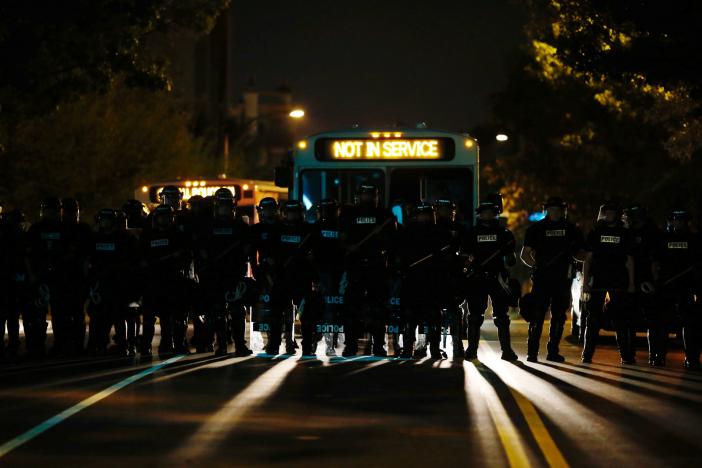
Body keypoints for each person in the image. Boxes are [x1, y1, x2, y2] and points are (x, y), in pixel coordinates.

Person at [521, 197, 585, 362]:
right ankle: (532, 352)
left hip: (563, 279)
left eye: (559, 209)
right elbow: (525, 255)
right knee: (537, 315)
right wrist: (536, 266)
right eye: (553, 209)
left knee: (558, 316)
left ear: (563, 210)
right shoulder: (536, 229)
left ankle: (552, 352)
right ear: (547, 210)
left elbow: (581, 255)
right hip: (543, 279)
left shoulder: (571, 230)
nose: (556, 212)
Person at [340, 182, 396, 357]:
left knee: (378, 309)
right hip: (355, 267)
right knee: (351, 309)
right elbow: (341, 238)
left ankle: (378, 345)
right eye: (366, 195)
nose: (369, 198)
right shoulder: (349, 214)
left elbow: (392, 241)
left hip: (376, 267)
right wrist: (348, 247)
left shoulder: (385, 215)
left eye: (372, 195)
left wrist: (382, 238)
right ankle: (350, 345)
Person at [197, 188, 252, 356]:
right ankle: (220, 345)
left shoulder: (240, 226)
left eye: (227, 206)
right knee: (218, 312)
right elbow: (200, 250)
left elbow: (248, 248)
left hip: (234, 275)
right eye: (222, 206)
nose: (225, 209)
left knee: (237, 311)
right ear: (216, 207)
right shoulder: (207, 227)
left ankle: (240, 345)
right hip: (214, 276)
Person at [581, 201, 636, 364]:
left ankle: (626, 356)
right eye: (607, 212)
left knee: (621, 320)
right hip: (598, 281)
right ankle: (587, 355)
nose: (610, 215)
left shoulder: (625, 233)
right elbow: (588, 260)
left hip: (619, 281)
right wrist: (585, 283)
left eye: (613, 213)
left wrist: (631, 283)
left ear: (617, 215)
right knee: (593, 320)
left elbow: (629, 260)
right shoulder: (595, 232)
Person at [463, 201, 518, 361]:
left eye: (491, 212)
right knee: (474, 316)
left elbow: (511, 259)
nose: (487, 215)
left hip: (497, 278)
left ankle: (506, 350)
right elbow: (465, 256)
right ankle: (472, 350)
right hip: (477, 277)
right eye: (485, 212)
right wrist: (469, 265)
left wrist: (510, 257)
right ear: (479, 214)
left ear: (496, 214)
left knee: (502, 317)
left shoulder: (505, 234)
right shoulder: (471, 233)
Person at [396, 202, 450, 359]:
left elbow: (447, 256)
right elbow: (399, 255)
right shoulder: (408, 233)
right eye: (422, 214)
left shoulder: (440, 232)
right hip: (412, 281)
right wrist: (402, 266)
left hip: (433, 281)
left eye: (428, 214)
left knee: (434, 317)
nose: (425, 217)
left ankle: (434, 349)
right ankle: (408, 348)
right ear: (416, 216)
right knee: (410, 316)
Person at [139, 204, 192, 356]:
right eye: (161, 217)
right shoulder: (148, 235)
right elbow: (140, 255)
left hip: (174, 281)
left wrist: (179, 259)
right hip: (153, 281)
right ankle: (145, 346)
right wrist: (144, 263)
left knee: (174, 316)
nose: (163, 220)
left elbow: (187, 255)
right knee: (149, 316)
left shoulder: (178, 235)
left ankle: (174, 344)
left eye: (166, 217)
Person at [652, 209, 701, 369]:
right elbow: (655, 262)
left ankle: (691, 358)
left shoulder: (694, 240)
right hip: (667, 287)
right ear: (671, 221)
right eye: (676, 220)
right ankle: (659, 356)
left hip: (687, 288)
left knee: (690, 325)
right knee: (663, 324)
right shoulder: (663, 239)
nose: (678, 223)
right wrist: (656, 280)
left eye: (681, 220)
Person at [86, 209, 139, 355]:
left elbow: (133, 261)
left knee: (119, 315)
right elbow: (88, 259)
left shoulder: (124, 238)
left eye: (108, 220)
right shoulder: (95, 238)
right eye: (103, 220)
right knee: (98, 316)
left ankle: (123, 345)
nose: (105, 223)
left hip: (119, 284)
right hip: (99, 284)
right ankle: (98, 344)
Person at [623, 204, 664, 366]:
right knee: (631, 321)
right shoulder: (628, 232)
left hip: (647, 282)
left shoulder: (652, 233)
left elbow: (657, 260)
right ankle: (630, 355)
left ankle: (655, 355)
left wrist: (654, 282)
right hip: (632, 282)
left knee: (653, 321)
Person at [305, 198, 345, 356]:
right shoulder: (315, 228)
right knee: (322, 310)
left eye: (330, 211)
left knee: (333, 310)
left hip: (338, 273)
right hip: (322, 273)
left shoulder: (341, 227)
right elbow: (310, 253)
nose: (327, 214)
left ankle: (329, 342)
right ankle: (320, 341)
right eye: (325, 211)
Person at [434, 199, 467, 358]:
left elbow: (466, 249)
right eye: (442, 209)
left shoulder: (460, 228)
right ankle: (429, 345)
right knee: (432, 310)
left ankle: (457, 344)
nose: (445, 212)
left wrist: (461, 258)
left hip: (455, 273)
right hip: (435, 273)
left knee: (455, 310)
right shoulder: (431, 228)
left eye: (448, 209)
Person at [0, 209, 28, 360]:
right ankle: (13, 346)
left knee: (7, 316)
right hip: (13, 281)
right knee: (12, 317)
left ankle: (11, 346)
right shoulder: (19, 237)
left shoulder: (6, 235)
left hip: (8, 281)